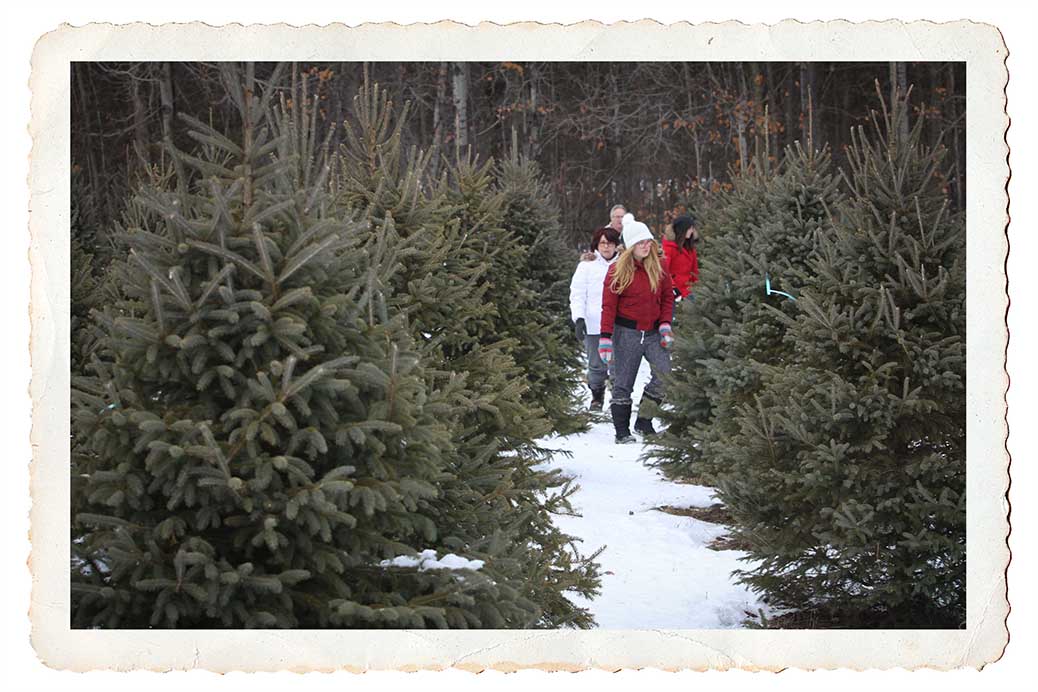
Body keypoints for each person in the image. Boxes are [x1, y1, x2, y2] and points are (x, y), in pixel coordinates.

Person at [598, 213, 675, 444]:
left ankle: (644, 420)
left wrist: (664, 324)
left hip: (653, 333)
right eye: (640, 242)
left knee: (664, 376)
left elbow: (667, 298)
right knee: (623, 383)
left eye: (648, 241)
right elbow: (608, 306)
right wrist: (605, 337)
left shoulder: (659, 267)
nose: (646, 245)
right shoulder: (617, 271)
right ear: (630, 245)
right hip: (626, 334)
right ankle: (622, 431)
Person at [569, 227, 621, 411]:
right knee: (596, 364)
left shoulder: (624, 264)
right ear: (597, 245)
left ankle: (619, 398)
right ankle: (597, 397)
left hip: (619, 324)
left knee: (618, 364)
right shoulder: (586, 266)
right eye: (602, 243)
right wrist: (579, 318)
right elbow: (577, 293)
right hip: (594, 323)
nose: (606, 247)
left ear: (616, 245)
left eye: (610, 243)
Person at [662, 214, 700, 300]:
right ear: (682, 229)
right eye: (690, 228)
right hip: (674, 294)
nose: (692, 231)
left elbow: (694, 272)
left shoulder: (691, 249)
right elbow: (664, 271)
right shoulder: (668, 248)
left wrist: (698, 289)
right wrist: (673, 289)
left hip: (690, 292)